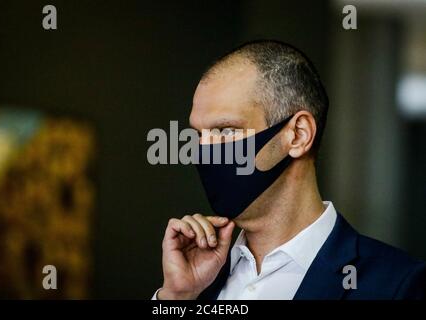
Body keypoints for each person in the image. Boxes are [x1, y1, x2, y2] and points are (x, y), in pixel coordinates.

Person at [152, 40, 426, 300]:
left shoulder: (397, 285)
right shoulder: (197, 278)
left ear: (297, 135)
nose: (203, 151)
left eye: (225, 131)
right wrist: (176, 298)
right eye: (199, 135)